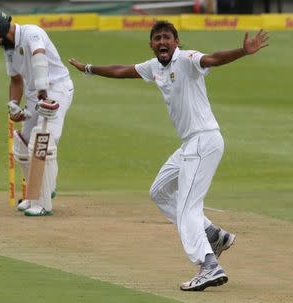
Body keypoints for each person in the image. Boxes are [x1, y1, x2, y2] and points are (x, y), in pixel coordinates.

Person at [69, 21, 268, 291]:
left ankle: (208, 265)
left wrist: (242, 52)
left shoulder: (187, 59)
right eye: (157, 38)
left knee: (188, 210)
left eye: (167, 37)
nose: (162, 42)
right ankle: (212, 235)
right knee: (159, 191)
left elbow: (212, 58)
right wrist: (89, 69)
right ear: (151, 45)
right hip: (190, 144)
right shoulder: (154, 67)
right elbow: (122, 71)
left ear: (177, 41)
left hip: (203, 140)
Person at [0, 9, 74, 216]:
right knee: (22, 146)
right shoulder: (9, 50)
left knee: (43, 141)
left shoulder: (32, 32)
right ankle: (34, 194)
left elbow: (39, 56)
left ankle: (43, 200)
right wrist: (13, 104)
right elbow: (15, 80)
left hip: (56, 89)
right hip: (34, 95)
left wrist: (42, 90)